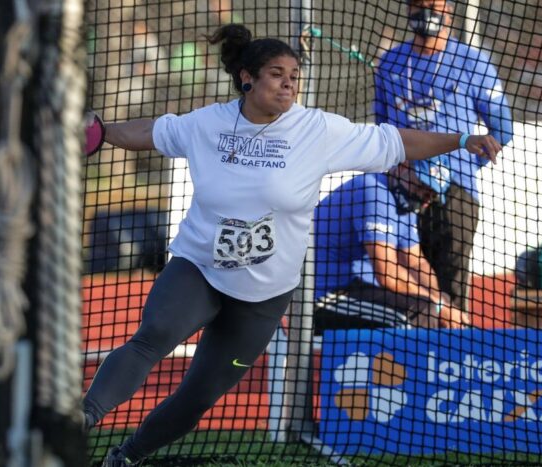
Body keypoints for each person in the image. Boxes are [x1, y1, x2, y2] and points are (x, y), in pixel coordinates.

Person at [84, 23, 502, 467]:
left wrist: (460, 140)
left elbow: (396, 141)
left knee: (198, 396)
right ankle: (80, 420)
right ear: (247, 78)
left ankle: (124, 458)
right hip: (200, 268)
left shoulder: (316, 130)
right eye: (277, 73)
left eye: (294, 75)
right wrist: (101, 131)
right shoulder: (208, 123)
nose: (288, 83)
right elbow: (152, 132)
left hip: (264, 296)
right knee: (152, 339)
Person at [374, 0, 514, 312]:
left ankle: (451, 350)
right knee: (407, 286)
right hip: (400, 190)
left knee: (451, 287)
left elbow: (502, 128)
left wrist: (463, 168)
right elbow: (380, 130)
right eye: (417, 5)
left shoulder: (472, 62)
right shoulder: (391, 62)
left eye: (433, 5)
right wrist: (399, 171)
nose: (426, 12)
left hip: (455, 193)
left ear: (448, 9)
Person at [314, 159, 468, 330]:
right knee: (420, 312)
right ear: (403, 168)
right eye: (422, 186)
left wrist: (440, 299)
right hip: (328, 295)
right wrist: (438, 305)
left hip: (364, 289)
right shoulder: (373, 191)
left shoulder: (406, 204)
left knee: (440, 303)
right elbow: (387, 273)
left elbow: (417, 262)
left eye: (431, 194)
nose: (424, 199)